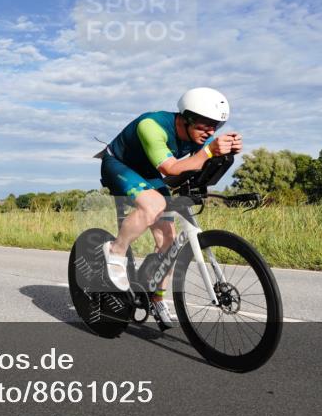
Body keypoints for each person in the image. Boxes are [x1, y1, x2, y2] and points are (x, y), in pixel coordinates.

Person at [98, 87, 242, 328]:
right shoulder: (151, 125)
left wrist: (225, 156)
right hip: (119, 165)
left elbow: (195, 168)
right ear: (186, 118)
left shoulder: (201, 137)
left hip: (150, 173)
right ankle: (116, 250)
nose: (210, 132)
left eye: (215, 126)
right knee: (153, 205)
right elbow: (171, 169)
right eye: (205, 125)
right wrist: (209, 151)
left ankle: (156, 298)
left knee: (169, 240)